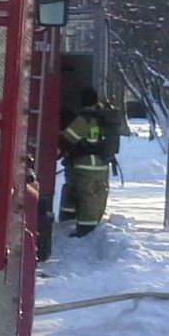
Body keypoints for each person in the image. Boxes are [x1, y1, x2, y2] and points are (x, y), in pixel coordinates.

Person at [59, 85, 120, 237]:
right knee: (98, 193)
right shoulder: (104, 116)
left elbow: (69, 137)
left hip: (85, 164)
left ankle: (85, 229)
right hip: (103, 164)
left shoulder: (85, 119)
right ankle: (92, 224)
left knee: (85, 194)